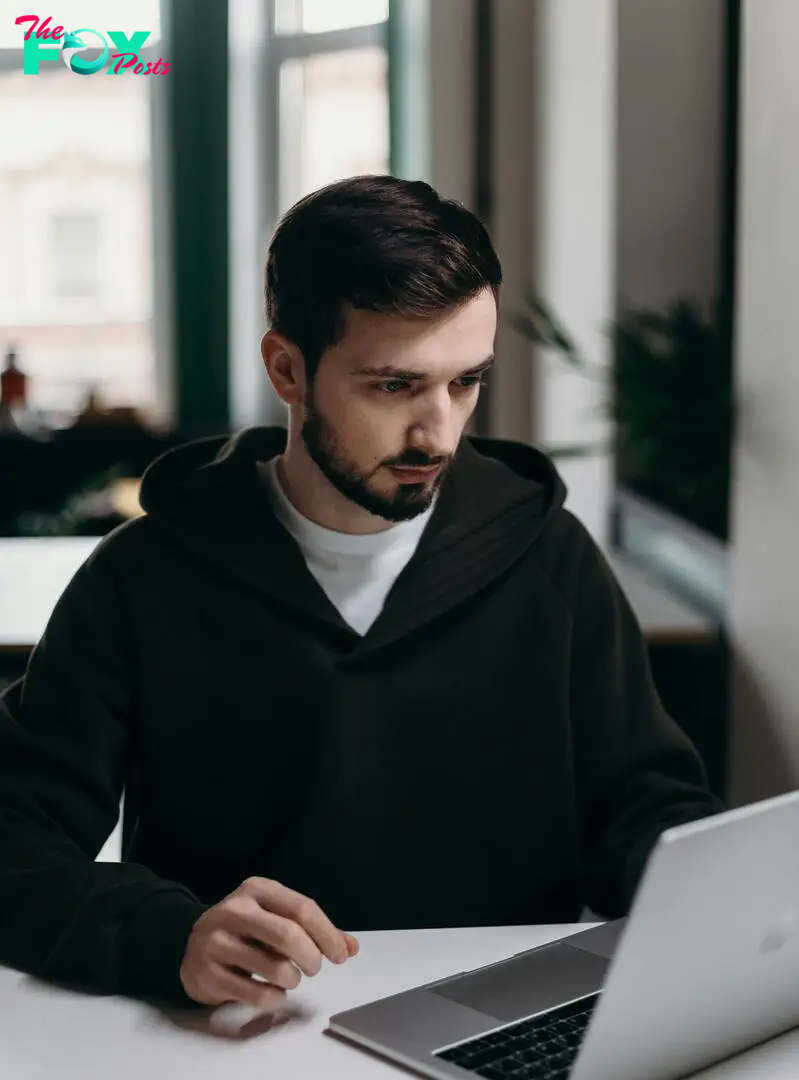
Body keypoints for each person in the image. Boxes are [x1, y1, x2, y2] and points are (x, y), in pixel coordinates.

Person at [0, 175, 723, 1014]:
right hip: (251, 1033)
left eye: (464, 383)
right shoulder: (143, 576)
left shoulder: (548, 558)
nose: (438, 431)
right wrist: (168, 937)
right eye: (393, 386)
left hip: (500, 1027)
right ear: (287, 369)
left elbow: (643, 809)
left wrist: (718, 886)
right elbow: (14, 840)